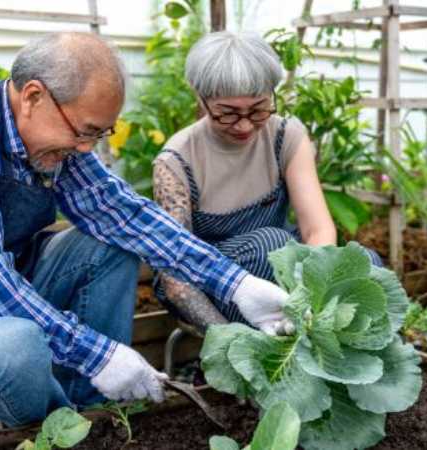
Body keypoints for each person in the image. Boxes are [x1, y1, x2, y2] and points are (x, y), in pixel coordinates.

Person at [0, 32, 293, 427]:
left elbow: (124, 215)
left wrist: (235, 284)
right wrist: (100, 354)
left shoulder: (57, 140)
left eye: (100, 134)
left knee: (107, 246)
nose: (87, 146)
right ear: (33, 96)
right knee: (16, 349)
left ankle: (95, 412)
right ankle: (65, 434)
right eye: (86, 131)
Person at [152, 31, 383, 328]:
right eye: (228, 113)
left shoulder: (286, 136)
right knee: (270, 244)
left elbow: (317, 229)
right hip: (209, 286)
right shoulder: (176, 162)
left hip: (282, 272)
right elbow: (176, 277)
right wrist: (226, 338)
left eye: (259, 109)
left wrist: (311, 296)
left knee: (366, 264)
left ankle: (324, 354)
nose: (245, 125)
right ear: (200, 97)